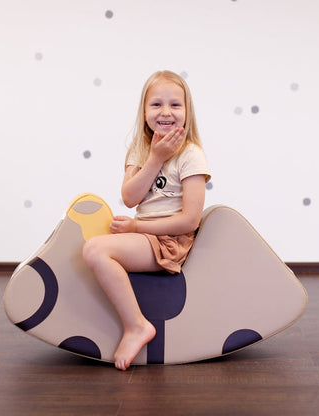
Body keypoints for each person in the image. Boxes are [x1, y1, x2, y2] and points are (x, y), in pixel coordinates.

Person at [83, 70, 210, 370]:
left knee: (95, 250)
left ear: (187, 112)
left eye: (175, 105)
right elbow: (130, 197)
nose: (166, 112)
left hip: (171, 241)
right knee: (90, 244)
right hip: (146, 237)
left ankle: (137, 325)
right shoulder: (139, 150)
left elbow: (190, 221)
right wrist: (154, 157)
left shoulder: (191, 155)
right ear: (144, 112)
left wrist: (137, 227)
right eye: (156, 105)